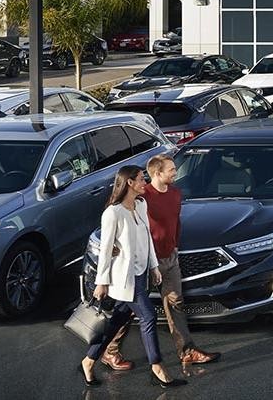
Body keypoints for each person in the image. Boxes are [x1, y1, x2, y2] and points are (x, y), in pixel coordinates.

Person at [102, 154, 221, 371]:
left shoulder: (175, 193)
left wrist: (174, 244)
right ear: (158, 173)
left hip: (169, 258)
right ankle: (109, 351)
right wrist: (116, 248)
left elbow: (175, 221)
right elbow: (117, 217)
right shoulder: (141, 195)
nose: (176, 173)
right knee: (128, 309)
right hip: (145, 262)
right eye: (172, 170)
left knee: (176, 303)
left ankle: (187, 351)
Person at [79, 165, 187, 389]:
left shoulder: (140, 205)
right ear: (129, 183)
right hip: (123, 279)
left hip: (141, 275)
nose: (144, 182)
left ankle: (89, 360)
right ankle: (158, 368)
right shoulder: (113, 213)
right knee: (147, 317)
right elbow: (107, 249)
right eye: (140, 179)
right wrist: (102, 282)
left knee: (118, 319)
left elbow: (147, 238)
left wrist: (154, 267)